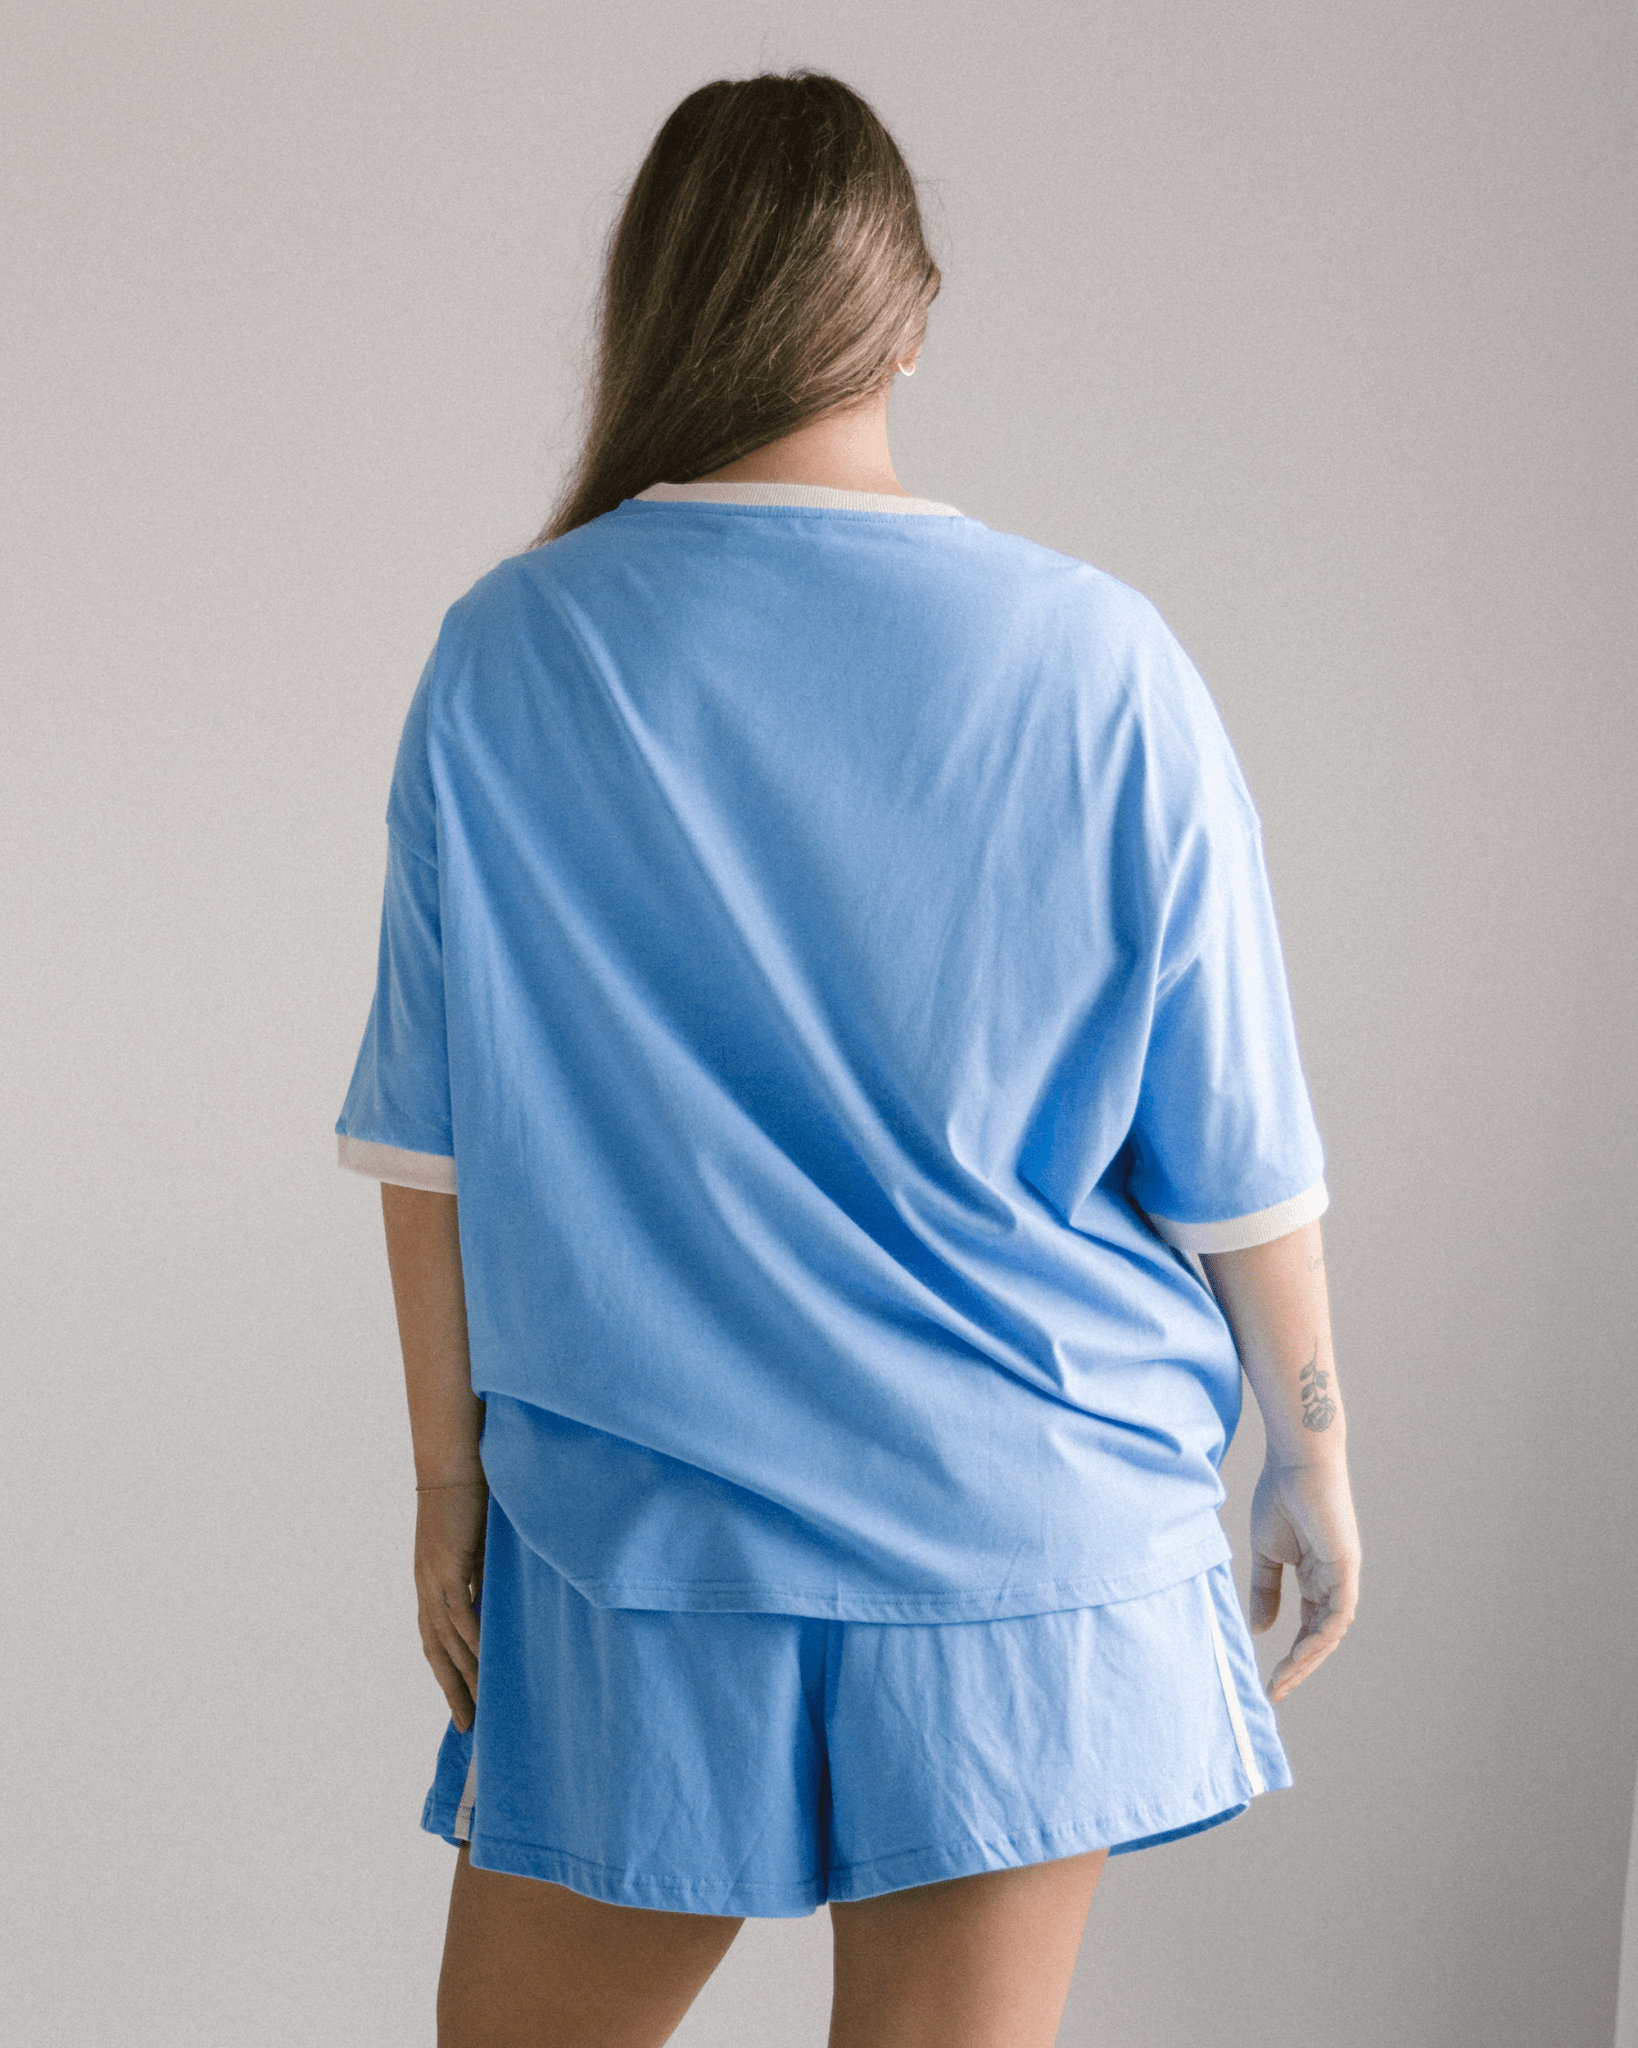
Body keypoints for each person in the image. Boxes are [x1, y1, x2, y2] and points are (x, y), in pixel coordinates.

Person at [334, 68, 1362, 2048]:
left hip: (646, 1535)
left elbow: (430, 1147)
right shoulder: (1099, 656)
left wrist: (445, 1483)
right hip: (1028, 1529)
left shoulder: (511, 652)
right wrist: (1311, 1454)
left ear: (655, 310)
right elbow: (1237, 1150)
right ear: (910, 321)